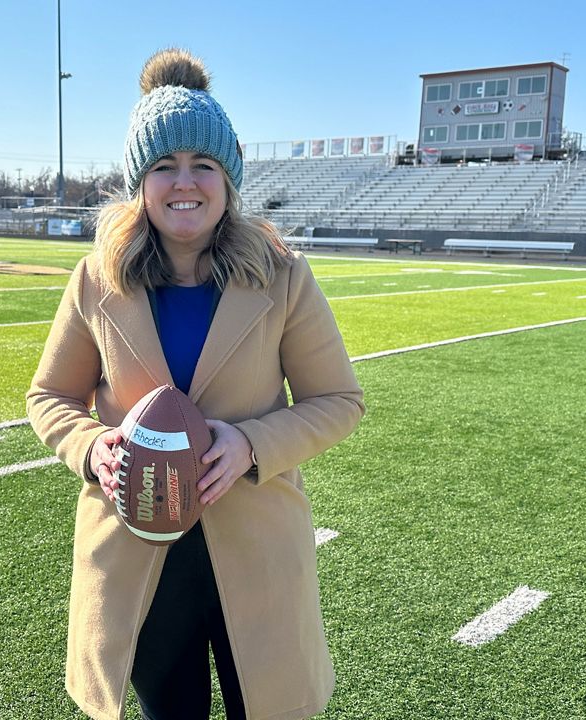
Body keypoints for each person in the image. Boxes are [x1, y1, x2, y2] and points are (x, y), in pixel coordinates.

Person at [26, 48, 364, 720]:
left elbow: (339, 401)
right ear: (140, 180)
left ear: (227, 177)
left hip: (258, 554)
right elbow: (50, 398)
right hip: (138, 557)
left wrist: (250, 444)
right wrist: (92, 449)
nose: (185, 183)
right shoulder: (97, 279)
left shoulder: (281, 274)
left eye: (202, 165)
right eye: (165, 166)